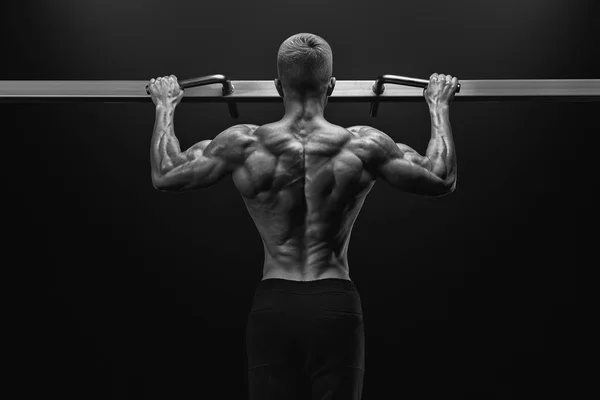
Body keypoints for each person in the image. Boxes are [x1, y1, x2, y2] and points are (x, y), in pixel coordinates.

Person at [148, 32, 458, 400]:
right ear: (332, 85)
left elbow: (166, 173)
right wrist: (438, 106)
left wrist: (165, 106)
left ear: (279, 86)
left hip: (274, 305)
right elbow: (440, 176)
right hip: (335, 305)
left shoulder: (244, 144)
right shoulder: (362, 146)